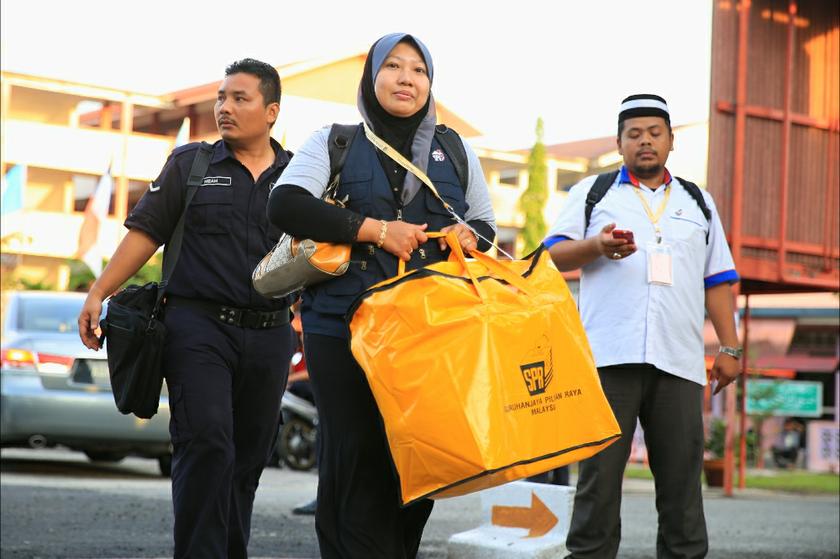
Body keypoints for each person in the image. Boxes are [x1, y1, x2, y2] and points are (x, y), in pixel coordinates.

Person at [268, 32, 496, 559]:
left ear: (429, 84)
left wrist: (467, 237)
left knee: (418, 460)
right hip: (342, 326)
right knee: (355, 453)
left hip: (430, 331)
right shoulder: (335, 140)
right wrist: (373, 229)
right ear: (372, 78)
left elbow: (484, 224)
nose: (406, 78)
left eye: (418, 70)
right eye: (393, 66)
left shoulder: (455, 151)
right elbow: (286, 204)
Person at [78, 58, 296, 558]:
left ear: (271, 111)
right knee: (207, 443)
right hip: (197, 328)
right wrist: (98, 293)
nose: (224, 107)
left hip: (271, 333)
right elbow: (145, 234)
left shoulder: (298, 178)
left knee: (246, 461)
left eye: (239, 98)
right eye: (221, 97)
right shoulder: (190, 164)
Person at [544, 94, 742, 559]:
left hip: (678, 362)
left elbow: (716, 281)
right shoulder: (592, 193)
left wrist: (730, 350)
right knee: (598, 484)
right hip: (608, 359)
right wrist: (596, 246)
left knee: (681, 486)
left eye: (655, 133)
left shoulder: (699, 202)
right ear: (619, 143)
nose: (645, 141)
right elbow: (551, 256)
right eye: (634, 134)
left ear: (671, 141)